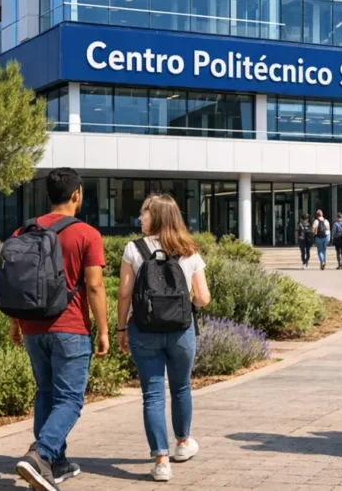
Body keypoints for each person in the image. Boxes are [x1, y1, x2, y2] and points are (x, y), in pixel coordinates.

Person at [12, 168, 109, 491]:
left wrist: (15, 325)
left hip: (32, 328)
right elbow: (95, 287)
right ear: (77, 194)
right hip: (70, 328)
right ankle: (40, 455)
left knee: (46, 393)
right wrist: (105, 330)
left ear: (49, 196)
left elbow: (16, 284)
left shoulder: (23, 231)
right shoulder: (87, 234)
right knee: (70, 399)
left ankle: (55, 464)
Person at [117, 194, 211, 483]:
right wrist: (185, 306)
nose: (140, 218)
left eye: (144, 213)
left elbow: (123, 293)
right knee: (182, 387)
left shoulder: (134, 249)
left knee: (153, 394)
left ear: (156, 216)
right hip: (181, 331)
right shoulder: (189, 250)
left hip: (144, 330)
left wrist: (121, 328)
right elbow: (204, 298)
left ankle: (160, 461)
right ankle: (182, 444)